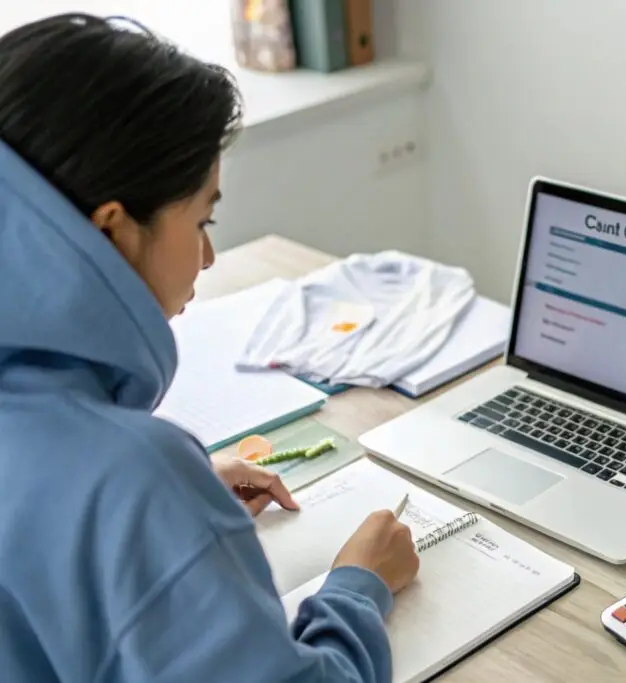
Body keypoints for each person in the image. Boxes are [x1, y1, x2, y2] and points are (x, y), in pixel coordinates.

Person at [0, 13, 419, 683]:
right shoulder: (131, 480)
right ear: (113, 228)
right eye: (202, 219)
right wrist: (357, 585)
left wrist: (176, 502)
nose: (207, 255)